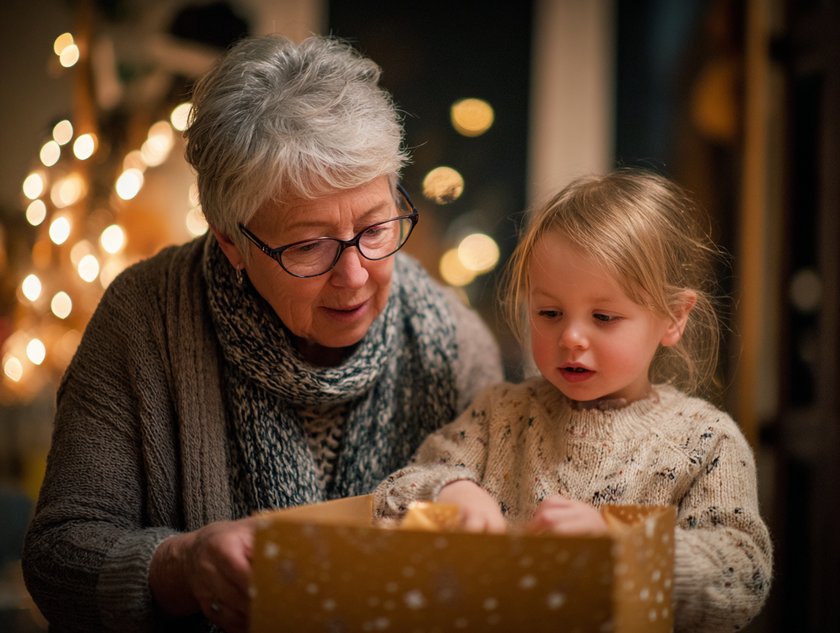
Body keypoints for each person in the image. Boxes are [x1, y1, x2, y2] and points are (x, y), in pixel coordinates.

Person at [22, 34, 503, 633]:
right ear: (232, 241)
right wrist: (180, 564)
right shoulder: (144, 320)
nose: (353, 276)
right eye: (309, 246)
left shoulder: (456, 345)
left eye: (376, 228)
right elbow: (57, 558)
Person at [374, 169, 773, 632]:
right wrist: (449, 490)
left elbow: (743, 575)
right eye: (550, 313)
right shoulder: (499, 414)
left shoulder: (707, 441)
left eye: (603, 316)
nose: (571, 337)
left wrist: (622, 545)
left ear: (673, 318)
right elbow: (393, 497)